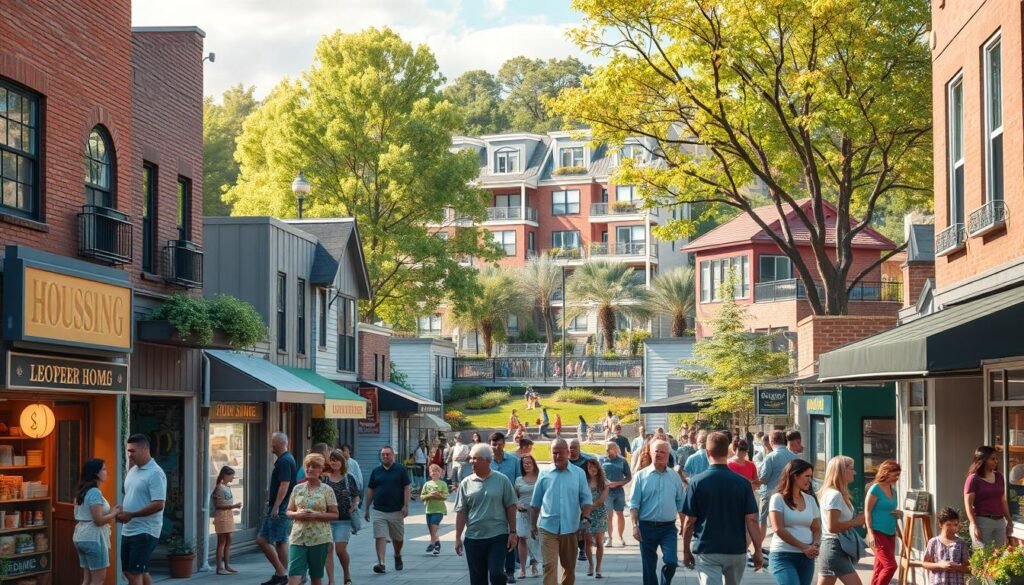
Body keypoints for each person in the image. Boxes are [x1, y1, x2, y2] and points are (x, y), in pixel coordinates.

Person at [682, 432, 763, 585]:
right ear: (727, 451)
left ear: (707, 453)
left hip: (707, 549)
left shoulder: (696, 483)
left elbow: (689, 522)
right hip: (736, 548)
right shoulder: (743, 483)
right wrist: (757, 550)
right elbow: (752, 519)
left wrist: (686, 551)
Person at [530, 438, 593, 585]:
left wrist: (585, 519)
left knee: (569, 568)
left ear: (567, 453)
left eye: (560, 453)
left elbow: (586, 499)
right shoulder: (544, 473)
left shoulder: (578, 473)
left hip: (570, 528)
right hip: (547, 527)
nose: (557, 456)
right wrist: (532, 525)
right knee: (549, 566)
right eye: (554, 453)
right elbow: (536, 502)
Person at [455, 443, 518, 585]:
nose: (472, 462)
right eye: (471, 458)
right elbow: (461, 512)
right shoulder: (466, 483)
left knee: (496, 574)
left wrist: (513, 532)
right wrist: (458, 537)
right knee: (477, 580)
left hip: (497, 536)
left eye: (476, 458)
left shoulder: (502, 480)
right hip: (473, 538)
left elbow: (511, 506)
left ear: (487, 461)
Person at [630, 439, 686, 585]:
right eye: (657, 451)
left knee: (671, 561)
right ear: (650, 452)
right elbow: (634, 504)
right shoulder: (640, 476)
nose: (660, 454)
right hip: (646, 527)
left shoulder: (674, 477)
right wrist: (635, 526)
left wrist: (684, 525)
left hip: (668, 528)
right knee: (649, 567)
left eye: (663, 452)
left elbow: (680, 503)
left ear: (668, 455)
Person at [117, 434, 167, 585]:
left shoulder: (155, 473)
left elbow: (158, 504)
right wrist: (122, 511)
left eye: (133, 451)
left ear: (145, 450)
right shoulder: (133, 470)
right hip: (128, 529)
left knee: (135, 573)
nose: (129, 455)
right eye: (128, 451)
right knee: (130, 571)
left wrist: (131, 514)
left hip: (145, 531)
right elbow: (132, 495)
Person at [286, 453, 339, 585]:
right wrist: (296, 514)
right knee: (293, 576)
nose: (309, 469)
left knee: (316, 577)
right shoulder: (297, 489)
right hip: (298, 538)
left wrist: (316, 515)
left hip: (319, 538)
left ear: (321, 470)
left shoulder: (327, 490)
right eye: (307, 466)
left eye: (314, 466)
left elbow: (335, 514)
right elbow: (288, 511)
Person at [768, 459, 821, 585]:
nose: (810, 480)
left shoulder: (810, 500)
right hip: (783, 555)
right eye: (807, 476)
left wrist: (815, 544)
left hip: (806, 558)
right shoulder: (777, 499)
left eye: (811, 476)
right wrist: (804, 547)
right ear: (794, 476)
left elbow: (816, 528)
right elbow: (778, 529)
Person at [817, 456, 866, 585]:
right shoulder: (835, 495)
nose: (855, 472)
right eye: (851, 469)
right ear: (841, 471)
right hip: (834, 547)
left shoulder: (833, 493)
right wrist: (856, 522)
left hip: (834, 547)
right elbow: (832, 526)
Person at [364, 446, 411, 574]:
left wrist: (406, 505)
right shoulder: (376, 471)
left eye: (387, 454)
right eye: (383, 454)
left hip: (396, 510)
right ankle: (381, 563)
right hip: (379, 509)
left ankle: (397, 554)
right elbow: (370, 489)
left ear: (393, 456)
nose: (385, 456)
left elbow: (407, 487)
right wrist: (367, 508)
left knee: (398, 538)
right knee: (380, 536)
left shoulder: (400, 469)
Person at [258, 432, 298, 585]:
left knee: (276, 540)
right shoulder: (286, 459)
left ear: (281, 444)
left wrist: (276, 506)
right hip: (280, 507)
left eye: (273, 443)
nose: (271, 446)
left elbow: (285, 484)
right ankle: (282, 573)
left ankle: (284, 574)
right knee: (271, 540)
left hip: (280, 508)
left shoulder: (284, 461)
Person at [74, 459, 119, 585]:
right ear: (96, 473)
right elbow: (98, 520)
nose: (107, 472)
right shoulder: (94, 492)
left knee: (87, 579)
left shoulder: (83, 490)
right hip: (93, 538)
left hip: (81, 536)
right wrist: (114, 513)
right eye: (104, 469)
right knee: (98, 581)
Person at [322, 449, 360, 585]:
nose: (334, 462)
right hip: (326, 519)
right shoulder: (324, 478)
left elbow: (356, 495)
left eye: (337, 460)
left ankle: (346, 574)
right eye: (331, 460)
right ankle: (331, 581)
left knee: (340, 550)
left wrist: (354, 505)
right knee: (328, 550)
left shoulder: (348, 478)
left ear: (342, 462)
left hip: (343, 520)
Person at [964, 445, 1013, 547]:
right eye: (992, 459)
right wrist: (975, 526)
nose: (996, 461)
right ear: (982, 460)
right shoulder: (973, 479)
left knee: (999, 555)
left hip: (1000, 522)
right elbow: (968, 505)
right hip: (982, 521)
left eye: (996, 458)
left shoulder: (999, 477)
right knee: (984, 554)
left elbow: (1002, 500)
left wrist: (1009, 520)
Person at [489, 432, 521, 582]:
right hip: (491, 504)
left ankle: (509, 570)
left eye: (499, 444)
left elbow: (519, 481)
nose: (497, 447)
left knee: (510, 535)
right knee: (494, 536)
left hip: (509, 504)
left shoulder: (513, 461)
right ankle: (496, 567)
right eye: (494, 444)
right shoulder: (486, 461)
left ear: (504, 444)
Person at [865, 460, 903, 585]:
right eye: (895, 475)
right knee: (890, 566)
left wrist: (899, 528)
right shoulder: (875, 489)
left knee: (880, 567)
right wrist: (870, 533)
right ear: (886, 472)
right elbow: (867, 511)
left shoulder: (894, 491)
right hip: (878, 532)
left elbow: (891, 512)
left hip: (891, 533)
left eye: (898, 475)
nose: (897, 478)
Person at [758, 430, 799, 542]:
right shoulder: (794, 457)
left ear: (771, 441)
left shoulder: (770, 457)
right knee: (787, 519)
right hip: (788, 492)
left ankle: (759, 546)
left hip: (769, 493)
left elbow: (764, 478)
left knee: (762, 519)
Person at [922, 507, 970, 585]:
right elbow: (925, 564)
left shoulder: (961, 544)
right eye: (948, 525)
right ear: (940, 525)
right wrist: (939, 565)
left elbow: (968, 568)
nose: (953, 528)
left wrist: (955, 566)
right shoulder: (933, 542)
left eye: (955, 525)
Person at [599, 441, 632, 547]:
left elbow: (628, 477)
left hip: (619, 491)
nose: (607, 450)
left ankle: (621, 537)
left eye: (610, 448)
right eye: (606, 448)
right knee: (608, 515)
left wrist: (619, 483)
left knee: (620, 514)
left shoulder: (622, 461)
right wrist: (604, 482)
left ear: (615, 449)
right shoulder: (602, 460)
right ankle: (610, 538)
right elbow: (597, 474)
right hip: (607, 491)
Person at [212, 466, 243, 575]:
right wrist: (234, 506)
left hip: (228, 516)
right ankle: (219, 567)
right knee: (222, 542)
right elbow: (219, 505)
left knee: (228, 540)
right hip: (222, 516)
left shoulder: (226, 487)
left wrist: (232, 507)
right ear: (225, 475)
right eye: (231, 476)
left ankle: (227, 565)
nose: (233, 478)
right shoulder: (219, 488)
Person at [515, 455, 542, 580]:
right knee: (522, 537)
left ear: (534, 464)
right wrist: (518, 505)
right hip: (522, 513)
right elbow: (514, 497)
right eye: (524, 463)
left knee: (534, 538)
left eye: (529, 463)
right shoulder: (519, 480)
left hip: (536, 512)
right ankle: (522, 569)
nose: (526, 465)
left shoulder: (540, 478)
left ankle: (534, 566)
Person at [583, 458, 609, 578]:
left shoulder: (604, 483)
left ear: (598, 468)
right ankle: (590, 564)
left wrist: (588, 507)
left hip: (599, 514)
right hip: (586, 515)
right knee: (588, 541)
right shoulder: (583, 482)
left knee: (599, 542)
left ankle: (598, 567)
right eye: (589, 467)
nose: (592, 469)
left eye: (594, 467)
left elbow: (601, 500)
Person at [422, 463, 450, 555]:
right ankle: (437, 545)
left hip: (439, 510)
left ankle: (432, 543)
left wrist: (438, 495)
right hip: (429, 509)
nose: (434, 473)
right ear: (430, 473)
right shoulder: (427, 484)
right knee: (432, 530)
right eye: (432, 471)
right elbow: (422, 496)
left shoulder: (443, 484)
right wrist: (428, 495)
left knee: (434, 525)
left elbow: (445, 496)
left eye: (436, 471)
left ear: (440, 473)